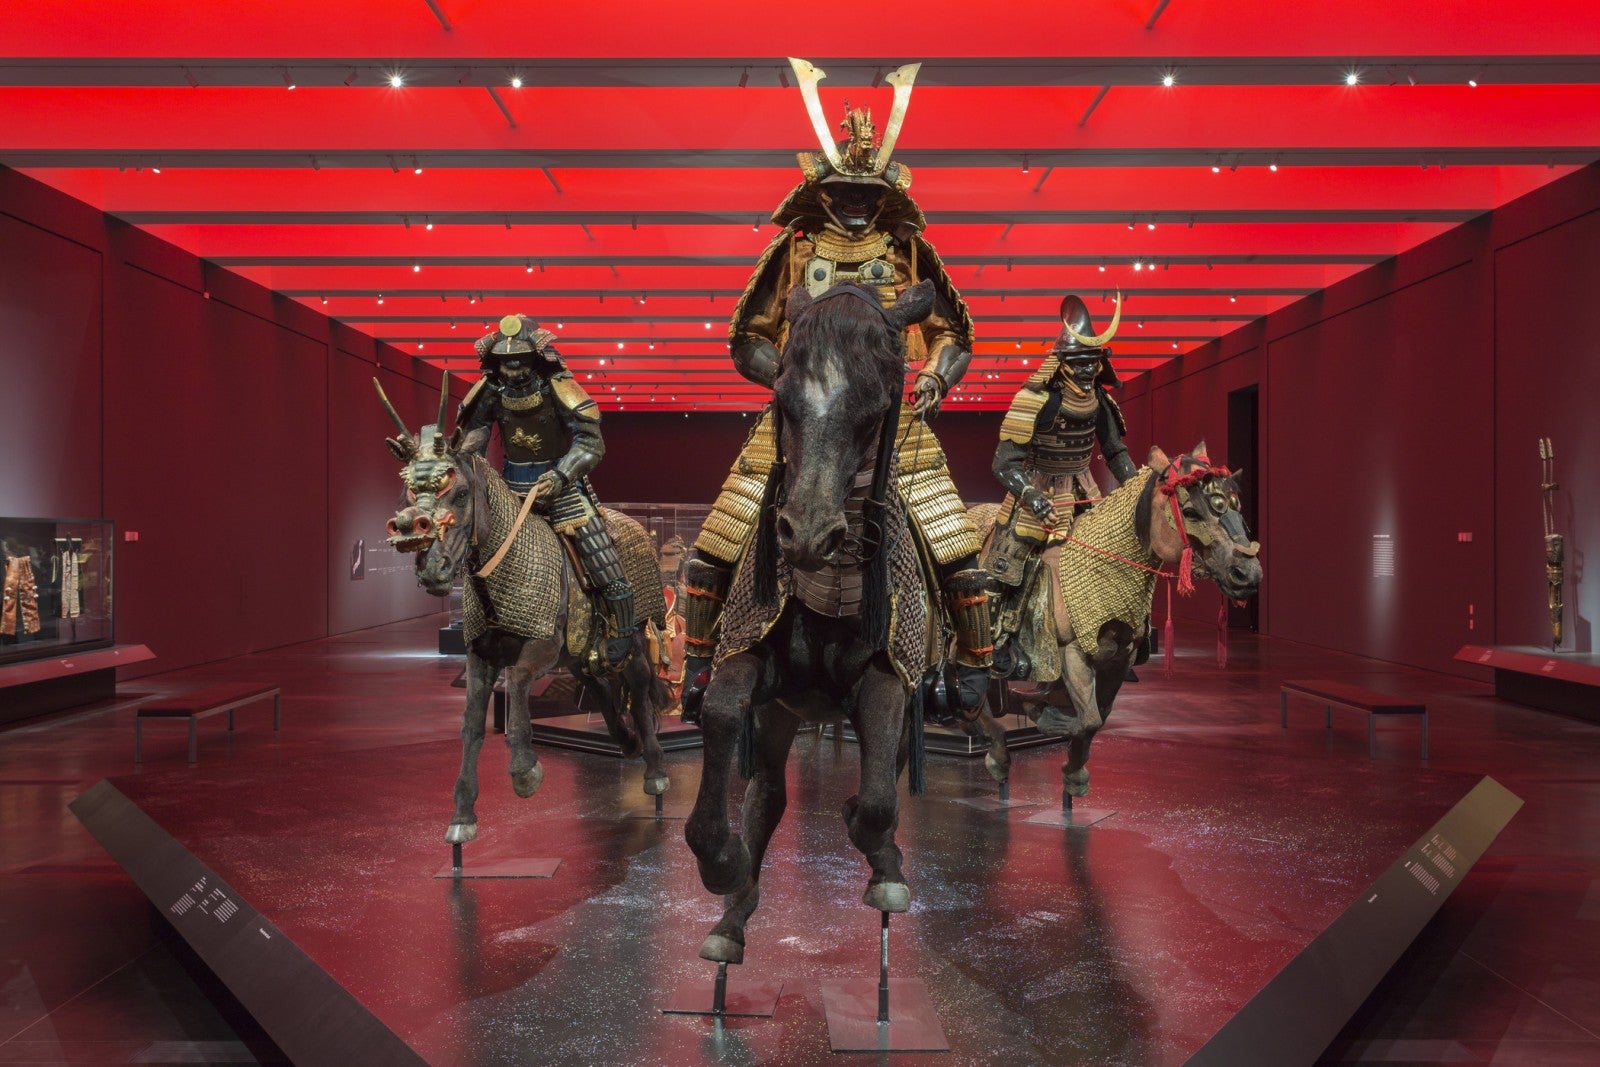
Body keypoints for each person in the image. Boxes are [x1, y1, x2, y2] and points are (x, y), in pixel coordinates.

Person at [679, 58, 991, 721]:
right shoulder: (794, 247)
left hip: (891, 422)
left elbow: (955, 331)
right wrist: (788, 380)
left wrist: (935, 373)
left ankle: (972, 667)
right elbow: (747, 337)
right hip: (797, 422)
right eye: (845, 190)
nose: (856, 202)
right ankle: (702, 661)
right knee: (717, 540)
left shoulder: (909, 250)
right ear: (822, 193)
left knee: (957, 547)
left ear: (884, 195)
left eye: (866, 191)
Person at [457, 314, 636, 664]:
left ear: (536, 356)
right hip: (509, 490)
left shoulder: (557, 386)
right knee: (475, 551)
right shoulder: (491, 391)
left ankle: (622, 632)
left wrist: (561, 474)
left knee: (602, 560)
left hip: (560, 489)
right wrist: (467, 460)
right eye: (505, 361)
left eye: (519, 359)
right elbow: (474, 433)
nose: (512, 368)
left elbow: (589, 441)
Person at [985, 295, 1137, 676]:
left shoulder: (1100, 400)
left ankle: (1116, 636)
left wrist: (1135, 487)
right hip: (1038, 491)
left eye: (1094, 361)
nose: (1088, 369)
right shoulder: (1035, 399)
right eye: (1080, 362)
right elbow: (1004, 462)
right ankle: (996, 643)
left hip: (1085, 493)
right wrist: (1031, 495)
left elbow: (1115, 451)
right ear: (1062, 361)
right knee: (1006, 565)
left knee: (1117, 554)